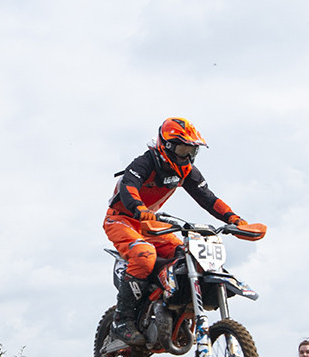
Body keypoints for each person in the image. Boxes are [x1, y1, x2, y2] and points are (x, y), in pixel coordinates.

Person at [103, 117, 265, 345]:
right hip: (122, 219)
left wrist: (234, 219)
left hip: (151, 223)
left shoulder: (186, 170)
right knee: (144, 256)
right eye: (182, 149)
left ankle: (168, 306)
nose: (187, 156)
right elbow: (129, 186)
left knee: (185, 253)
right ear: (166, 146)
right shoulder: (145, 162)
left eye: (191, 150)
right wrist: (139, 209)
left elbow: (208, 198)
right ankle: (122, 320)